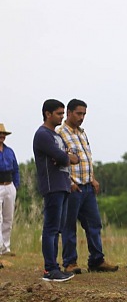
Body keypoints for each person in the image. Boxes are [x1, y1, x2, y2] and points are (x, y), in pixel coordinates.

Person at [57, 100, 118, 274]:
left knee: (94, 224)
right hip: (72, 187)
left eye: (84, 114)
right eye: (78, 113)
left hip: (87, 186)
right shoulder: (60, 133)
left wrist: (93, 178)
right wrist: (69, 183)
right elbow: (59, 162)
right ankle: (70, 262)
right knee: (69, 226)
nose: (82, 117)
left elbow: (86, 158)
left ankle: (97, 260)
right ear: (68, 113)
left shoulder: (82, 133)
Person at [33, 100, 79, 282]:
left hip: (63, 185)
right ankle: (50, 269)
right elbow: (63, 156)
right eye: (59, 114)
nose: (62, 117)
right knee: (51, 229)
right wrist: (66, 157)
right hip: (52, 186)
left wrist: (66, 158)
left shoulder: (56, 136)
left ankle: (55, 267)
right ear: (47, 114)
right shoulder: (43, 135)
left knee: (58, 228)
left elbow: (72, 157)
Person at [0, 123, 20, 257]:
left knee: (8, 218)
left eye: (3, 135)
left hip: (9, 185)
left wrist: (15, 186)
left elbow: (16, 169)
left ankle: (5, 248)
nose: (2, 136)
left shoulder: (9, 151)